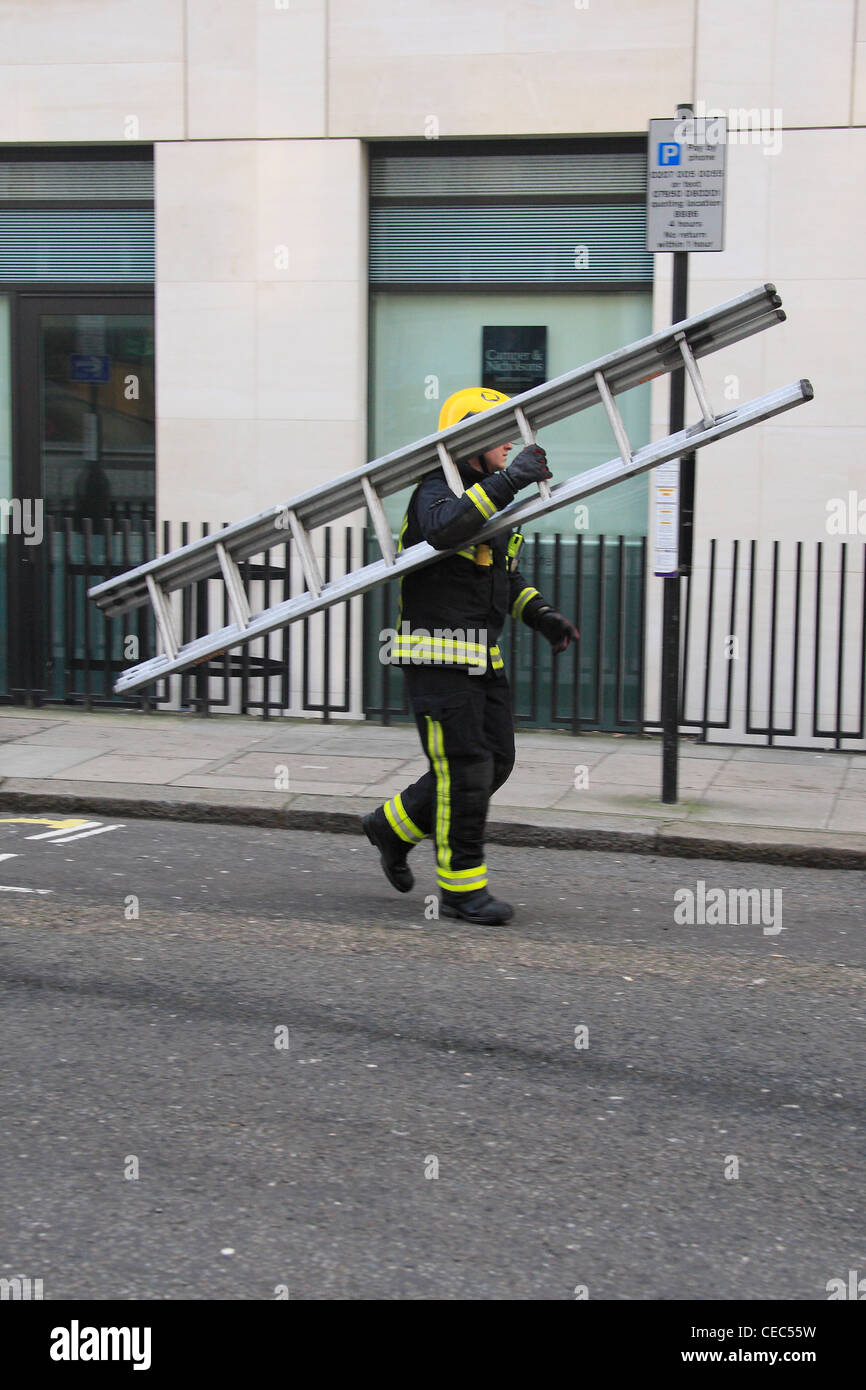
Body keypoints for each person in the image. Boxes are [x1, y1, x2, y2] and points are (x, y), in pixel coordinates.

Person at [362, 386, 579, 926]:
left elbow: (504, 577)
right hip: (435, 659)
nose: (510, 443)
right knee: (466, 768)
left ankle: (391, 827)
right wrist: (509, 482)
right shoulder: (437, 489)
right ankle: (462, 890)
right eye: (498, 432)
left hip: (483, 660)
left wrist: (542, 615)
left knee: (495, 762)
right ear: (469, 440)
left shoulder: (490, 493)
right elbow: (443, 531)